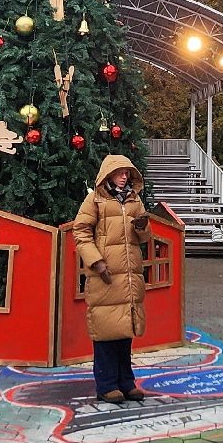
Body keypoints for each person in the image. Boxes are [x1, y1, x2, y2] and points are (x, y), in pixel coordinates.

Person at [71, 154, 153, 403]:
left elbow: (144, 238)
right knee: (106, 331)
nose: (124, 176)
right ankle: (106, 384)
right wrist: (96, 261)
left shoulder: (134, 199)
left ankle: (126, 382)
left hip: (128, 276)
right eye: (120, 172)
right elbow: (81, 231)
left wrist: (141, 227)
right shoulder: (95, 199)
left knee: (125, 330)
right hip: (105, 275)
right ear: (108, 174)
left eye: (127, 172)